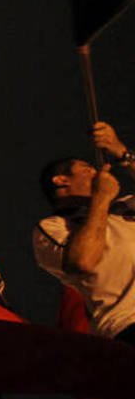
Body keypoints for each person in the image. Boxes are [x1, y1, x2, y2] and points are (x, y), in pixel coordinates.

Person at [33, 121, 135, 342]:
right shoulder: (54, 226)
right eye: (87, 170)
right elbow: (83, 261)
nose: (98, 173)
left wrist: (121, 152)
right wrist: (101, 198)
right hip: (127, 328)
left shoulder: (125, 207)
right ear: (61, 180)